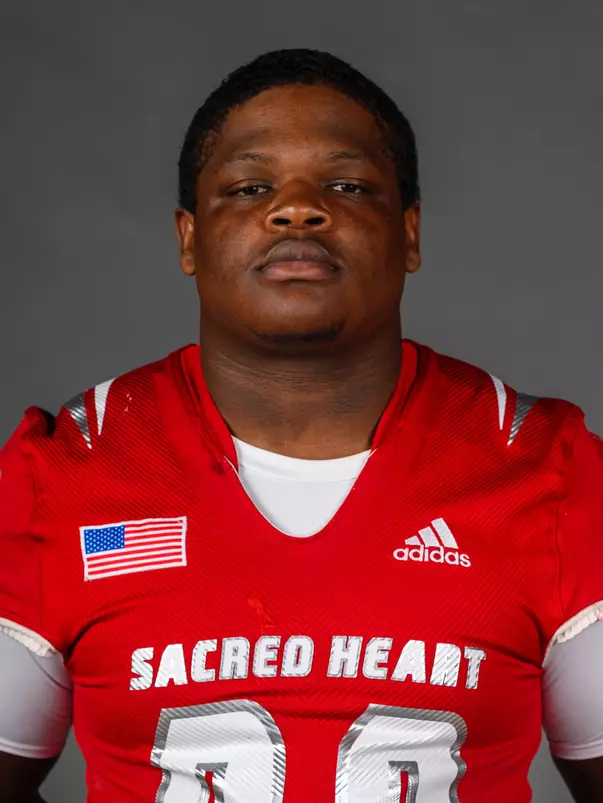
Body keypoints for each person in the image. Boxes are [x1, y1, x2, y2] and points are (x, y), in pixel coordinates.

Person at [0, 48, 602, 803]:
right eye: (249, 188)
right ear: (189, 238)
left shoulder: (547, 469)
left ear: (409, 234)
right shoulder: (63, 472)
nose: (295, 209)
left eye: (346, 186)